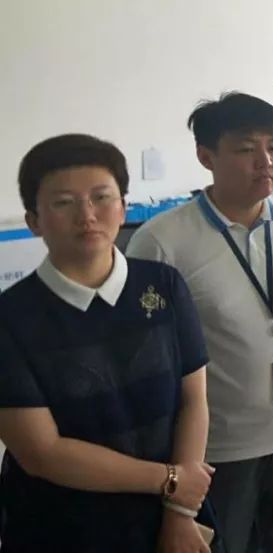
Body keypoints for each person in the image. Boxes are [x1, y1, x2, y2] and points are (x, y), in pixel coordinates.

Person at [127, 92, 273, 553]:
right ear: (206, 156)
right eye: (246, 149)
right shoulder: (162, 242)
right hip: (219, 451)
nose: (265, 162)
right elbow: (148, 357)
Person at [0, 134, 214, 552]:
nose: (87, 215)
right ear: (34, 221)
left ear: (123, 207)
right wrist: (170, 481)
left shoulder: (163, 285)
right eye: (64, 203)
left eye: (101, 197)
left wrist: (179, 513)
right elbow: (42, 452)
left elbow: (194, 400)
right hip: (62, 528)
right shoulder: (12, 318)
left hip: (171, 513)